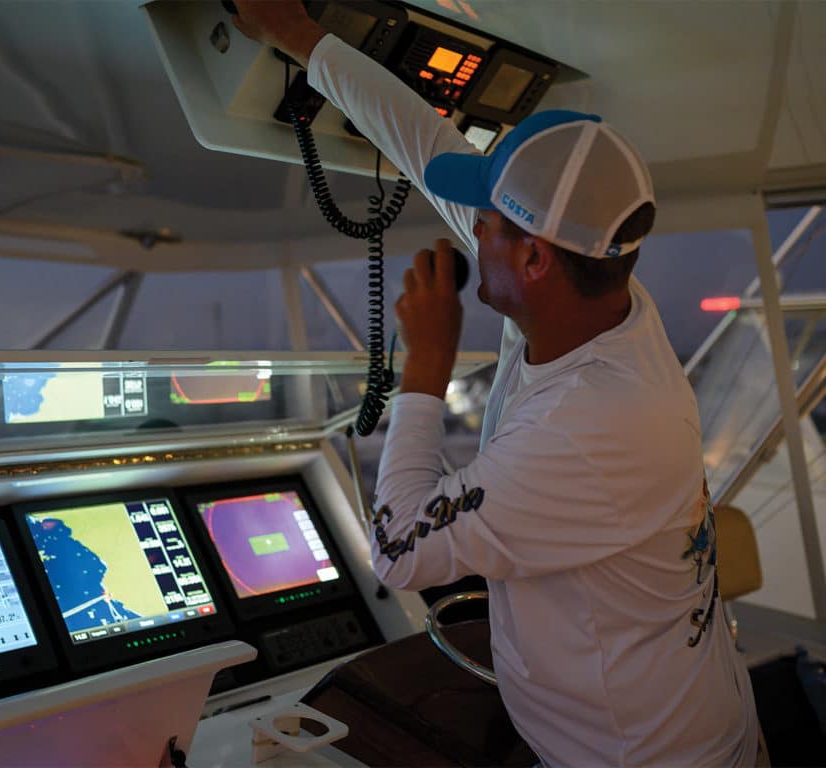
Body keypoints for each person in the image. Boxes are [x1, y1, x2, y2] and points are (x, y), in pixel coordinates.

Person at [232, 2, 762, 766]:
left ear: (538, 260)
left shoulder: (591, 425)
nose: (469, 227)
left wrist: (427, 364)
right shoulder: (602, 301)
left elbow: (399, 551)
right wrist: (300, 37)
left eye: (486, 219)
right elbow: (426, 146)